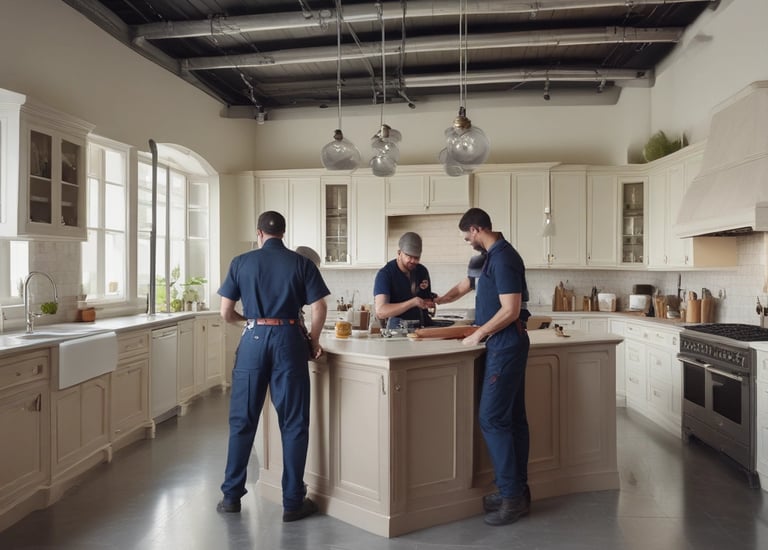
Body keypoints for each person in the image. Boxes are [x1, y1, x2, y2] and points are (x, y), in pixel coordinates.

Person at [217, 211, 330, 522]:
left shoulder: (241, 262)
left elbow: (226, 312)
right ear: (283, 233)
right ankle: (293, 501)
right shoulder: (301, 263)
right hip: (289, 339)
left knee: (243, 420)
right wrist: (314, 340)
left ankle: (230, 497)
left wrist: (250, 321)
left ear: (259, 234)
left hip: (253, 340)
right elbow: (320, 305)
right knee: (293, 423)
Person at [434, 207, 532, 526]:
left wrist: (478, 333)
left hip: (506, 344)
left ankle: (511, 497)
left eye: (467, 237)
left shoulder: (503, 257)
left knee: (491, 419)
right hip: (504, 344)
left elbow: (511, 309)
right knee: (513, 420)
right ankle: (516, 491)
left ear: (476, 230)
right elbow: (465, 286)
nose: (467, 242)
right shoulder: (487, 256)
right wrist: (438, 301)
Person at [373, 231, 435, 329]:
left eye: (417, 257)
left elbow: (425, 298)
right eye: (409, 256)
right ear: (399, 253)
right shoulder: (385, 274)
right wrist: (412, 302)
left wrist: (430, 302)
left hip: (423, 330)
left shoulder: (422, 271)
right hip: (397, 332)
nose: (413, 261)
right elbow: (381, 311)